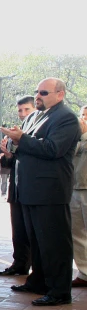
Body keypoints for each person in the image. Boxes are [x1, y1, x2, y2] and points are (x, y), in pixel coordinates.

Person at [2, 78, 81, 306]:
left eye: (44, 92)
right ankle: (38, 281)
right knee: (36, 240)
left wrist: (22, 139)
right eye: (37, 91)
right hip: (29, 189)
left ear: (60, 94)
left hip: (50, 190)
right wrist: (12, 145)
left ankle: (59, 291)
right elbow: (25, 145)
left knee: (54, 242)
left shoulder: (66, 118)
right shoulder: (35, 116)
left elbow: (53, 149)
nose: (38, 96)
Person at [0, 96, 35, 276]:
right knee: (18, 229)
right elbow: (8, 163)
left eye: (26, 110)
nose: (23, 114)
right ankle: (19, 262)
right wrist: (8, 154)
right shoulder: (15, 133)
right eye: (20, 110)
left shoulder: (35, 130)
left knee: (32, 231)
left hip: (34, 187)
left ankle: (37, 268)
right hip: (17, 186)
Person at [72, 105, 87, 288]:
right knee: (77, 232)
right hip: (75, 187)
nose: (84, 119)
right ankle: (84, 272)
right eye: (82, 115)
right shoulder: (78, 137)